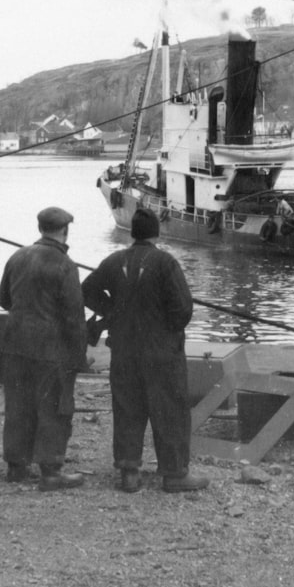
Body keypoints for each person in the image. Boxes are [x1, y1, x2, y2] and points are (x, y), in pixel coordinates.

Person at [82, 207, 209, 494]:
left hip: (124, 350)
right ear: (156, 233)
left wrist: (112, 312)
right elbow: (183, 310)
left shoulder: (113, 261)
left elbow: (87, 290)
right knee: (170, 409)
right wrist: (166, 329)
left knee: (127, 407)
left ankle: (129, 472)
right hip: (162, 352)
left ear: (132, 232)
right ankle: (175, 473)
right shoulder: (165, 263)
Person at [0, 206, 86, 491]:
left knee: (18, 404)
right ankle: (51, 471)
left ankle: (16, 466)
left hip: (15, 343)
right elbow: (74, 316)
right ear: (65, 230)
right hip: (50, 348)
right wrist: (78, 355)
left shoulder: (17, 256)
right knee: (53, 405)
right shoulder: (64, 264)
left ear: (40, 228)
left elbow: (3, 299)